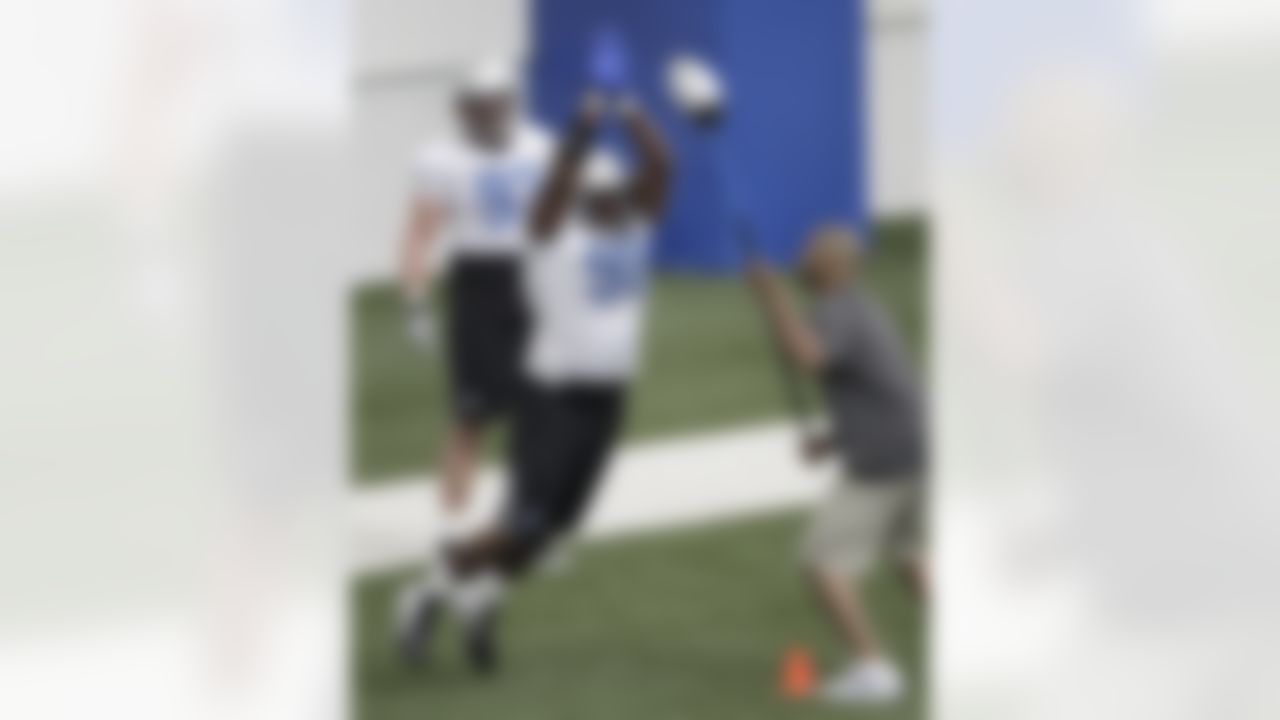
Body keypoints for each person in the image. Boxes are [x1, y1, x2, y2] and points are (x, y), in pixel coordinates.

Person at [395, 82, 672, 674]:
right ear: (578, 198)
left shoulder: (636, 225)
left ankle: (479, 598)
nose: (613, 201)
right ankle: (426, 590)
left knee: (550, 533)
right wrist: (584, 124)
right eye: (599, 195)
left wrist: (636, 110)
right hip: (553, 395)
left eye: (616, 192)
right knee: (523, 520)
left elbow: (663, 166)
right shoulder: (551, 235)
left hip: (608, 397)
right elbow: (556, 186)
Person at [745, 224, 929, 705]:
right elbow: (877, 387)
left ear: (829, 267)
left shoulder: (837, 310)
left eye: (807, 254)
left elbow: (806, 356)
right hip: (918, 445)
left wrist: (773, 299)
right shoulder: (861, 306)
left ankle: (874, 669)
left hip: (886, 457)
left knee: (822, 560)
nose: (798, 260)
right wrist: (829, 442)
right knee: (909, 552)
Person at [398, 61, 553, 535]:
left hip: (535, 278)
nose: (490, 113)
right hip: (479, 285)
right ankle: (451, 525)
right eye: (480, 105)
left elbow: (559, 219)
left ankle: (527, 521)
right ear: (461, 109)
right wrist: (416, 300)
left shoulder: (538, 146)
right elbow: (420, 232)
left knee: (541, 411)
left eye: (497, 103)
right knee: (471, 416)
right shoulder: (440, 157)